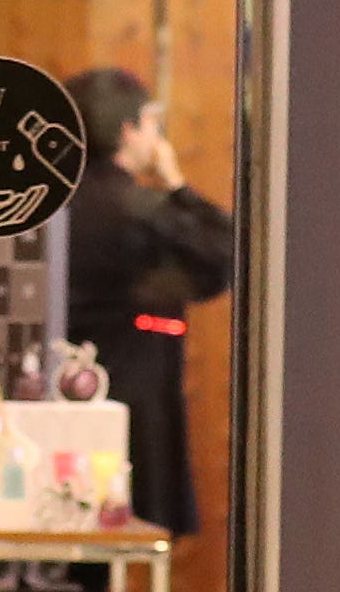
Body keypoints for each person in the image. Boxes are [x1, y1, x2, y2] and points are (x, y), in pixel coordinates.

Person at [60, 66, 236, 536]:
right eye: (152, 125)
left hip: (55, 400)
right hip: (135, 393)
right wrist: (177, 184)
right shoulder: (141, 209)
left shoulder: (46, 204)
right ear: (128, 130)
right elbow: (227, 253)